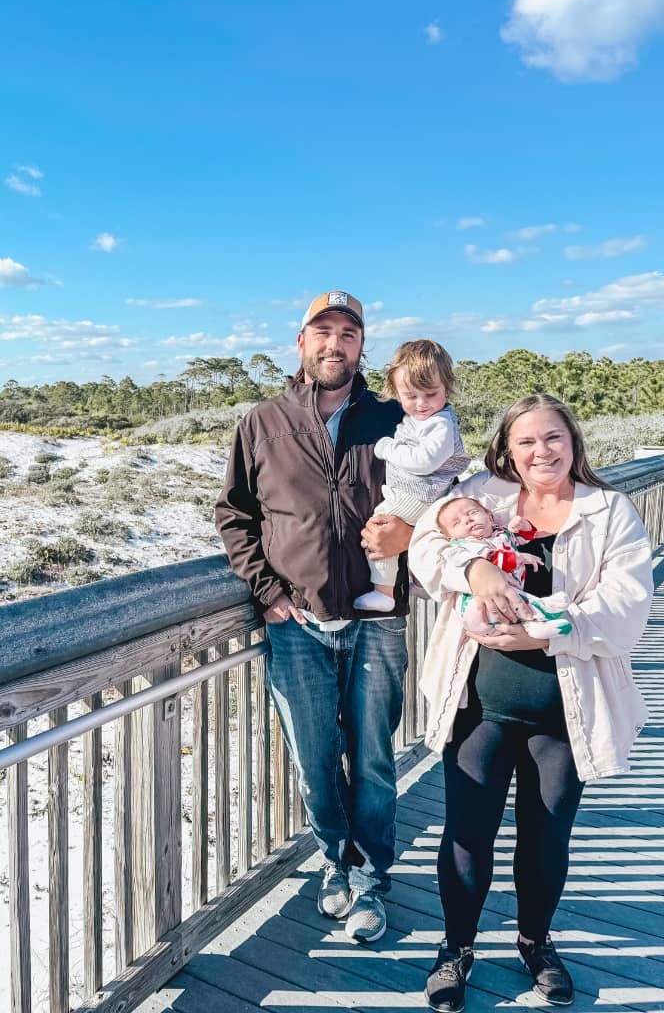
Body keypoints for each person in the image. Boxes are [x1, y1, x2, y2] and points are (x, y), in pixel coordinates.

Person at [408, 394, 653, 1011]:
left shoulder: (610, 511)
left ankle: (535, 942)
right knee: (467, 834)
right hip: (480, 706)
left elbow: (626, 608)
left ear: (573, 441)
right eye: (526, 442)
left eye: (552, 438)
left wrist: (547, 628)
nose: (541, 451)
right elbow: (424, 547)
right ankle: (456, 948)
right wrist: (477, 572)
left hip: (564, 712)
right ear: (507, 451)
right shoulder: (481, 496)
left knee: (546, 838)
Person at [215, 290, 413, 943]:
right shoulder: (262, 422)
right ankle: (335, 863)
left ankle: (369, 882)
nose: (335, 343)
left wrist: (415, 534)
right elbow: (235, 514)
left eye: (348, 334)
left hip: (376, 620)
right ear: (300, 343)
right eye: (321, 331)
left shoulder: (395, 417)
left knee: (375, 762)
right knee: (316, 760)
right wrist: (266, 590)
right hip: (296, 622)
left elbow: (440, 495)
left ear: (362, 346)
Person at [353, 340, 470, 613]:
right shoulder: (425, 420)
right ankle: (410, 579)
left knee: (381, 527)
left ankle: (383, 591)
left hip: (421, 493)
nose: (421, 404)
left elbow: (424, 462)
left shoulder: (440, 424)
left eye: (430, 394)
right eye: (411, 396)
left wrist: (387, 448)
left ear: (446, 387)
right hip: (417, 491)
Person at [436, 496, 572, 639]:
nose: (467, 520)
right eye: (456, 523)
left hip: (504, 608)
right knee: (514, 599)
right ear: (451, 537)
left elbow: (525, 538)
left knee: (514, 605)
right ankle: (543, 609)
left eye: (473, 513)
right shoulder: (463, 545)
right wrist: (518, 558)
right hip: (476, 608)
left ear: (489, 516)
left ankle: (535, 628)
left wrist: (524, 526)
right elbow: (488, 558)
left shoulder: (501, 534)